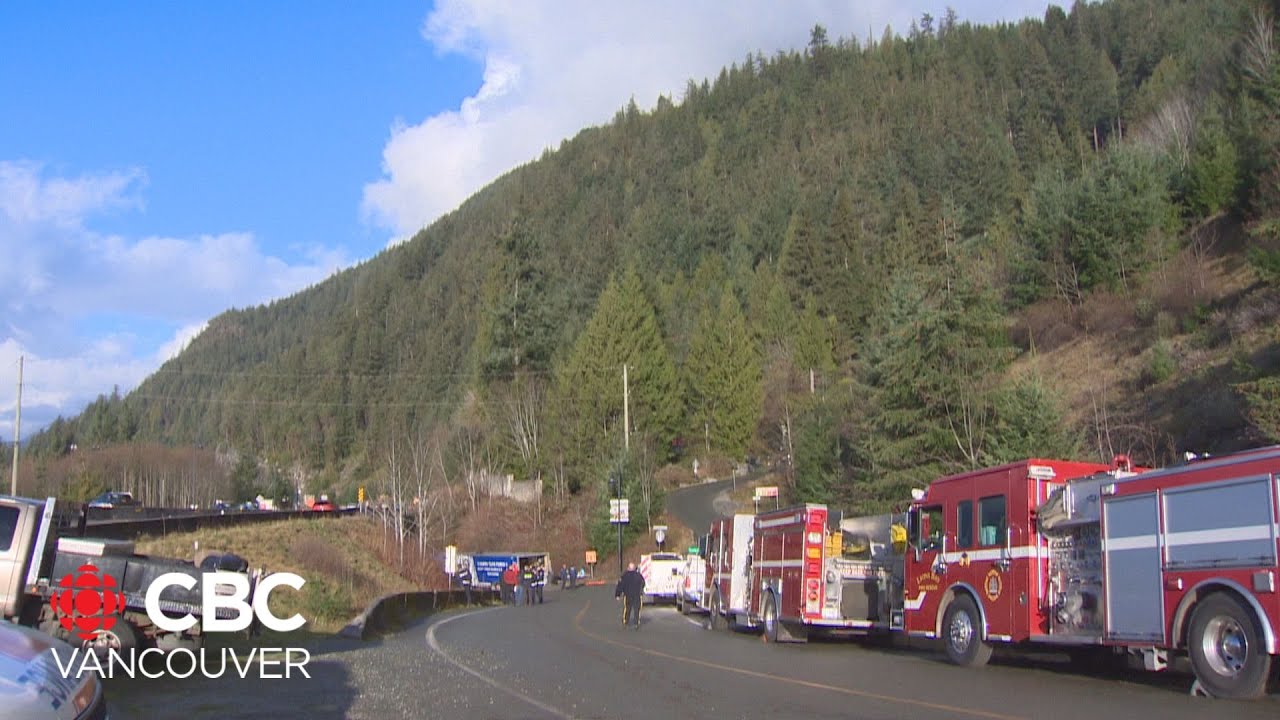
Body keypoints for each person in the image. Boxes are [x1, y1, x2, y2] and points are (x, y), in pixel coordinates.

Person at [615, 561, 646, 630]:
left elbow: (620, 585)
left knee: (627, 608)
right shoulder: (639, 575)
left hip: (628, 595)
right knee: (637, 609)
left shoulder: (624, 576)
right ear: (634, 568)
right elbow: (643, 583)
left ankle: (626, 622)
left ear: (628, 568)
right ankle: (636, 623)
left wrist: (618, 594)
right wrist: (640, 591)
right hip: (637, 595)